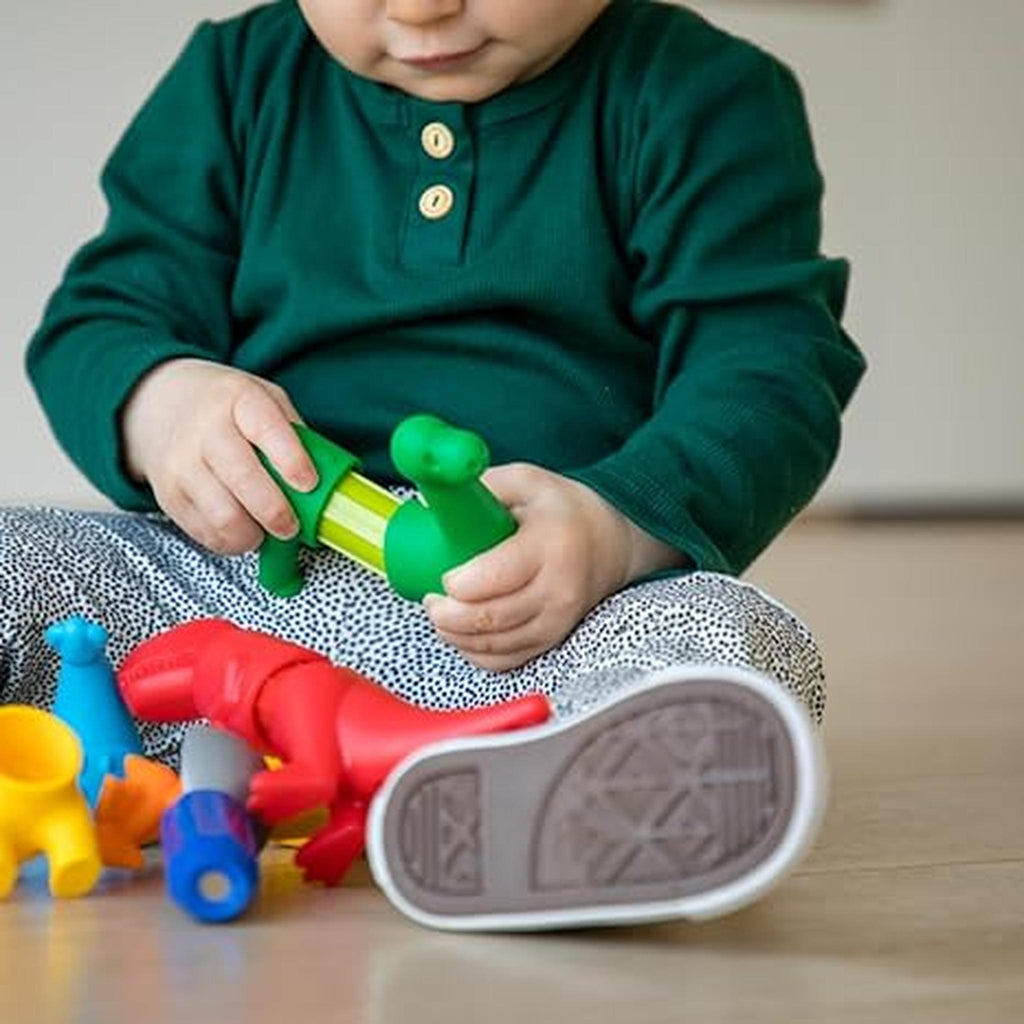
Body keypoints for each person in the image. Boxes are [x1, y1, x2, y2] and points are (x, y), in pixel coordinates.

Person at [8, 0, 865, 929]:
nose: (421, 7)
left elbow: (767, 371)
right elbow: (102, 317)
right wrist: (163, 403)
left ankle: (543, 820)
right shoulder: (235, 79)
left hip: (538, 625)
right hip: (225, 597)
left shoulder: (703, 94)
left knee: (732, 639)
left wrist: (615, 529)